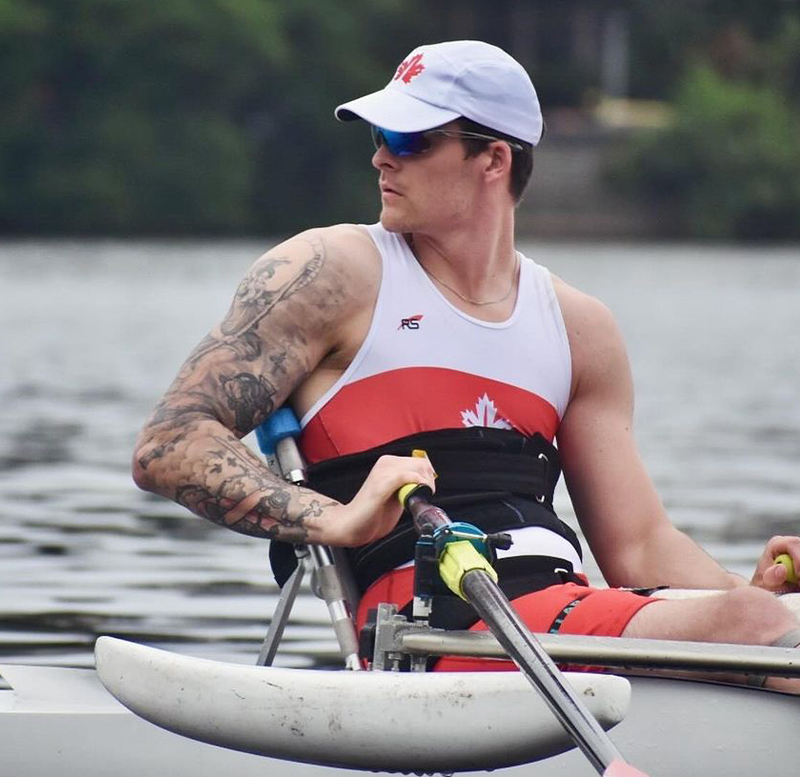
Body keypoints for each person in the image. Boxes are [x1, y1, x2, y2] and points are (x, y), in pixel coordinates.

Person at [133, 40, 800, 689]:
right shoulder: (332, 273)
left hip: (558, 622)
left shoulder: (578, 326)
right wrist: (333, 519)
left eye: (407, 140)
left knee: (774, 616)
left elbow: (638, 548)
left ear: (493, 159)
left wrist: (750, 590)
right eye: (377, 136)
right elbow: (169, 442)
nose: (378, 159)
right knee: (756, 624)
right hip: (434, 629)